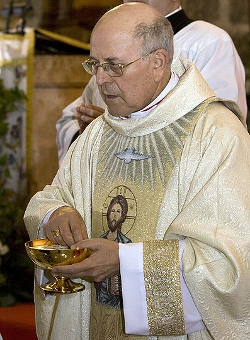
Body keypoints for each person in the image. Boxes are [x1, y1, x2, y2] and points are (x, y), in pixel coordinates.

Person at [24, 2, 250, 339]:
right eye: (95, 65)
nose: (100, 80)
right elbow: (54, 194)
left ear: (158, 63)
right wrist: (55, 213)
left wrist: (126, 263)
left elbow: (230, 265)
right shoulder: (99, 133)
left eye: (114, 66)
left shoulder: (216, 134)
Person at [56, 0, 248, 165]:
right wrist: (92, 135)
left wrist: (120, 131)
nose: (102, 77)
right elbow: (70, 119)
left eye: (116, 65)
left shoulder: (209, 43)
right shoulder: (113, 49)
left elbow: (217, 134)